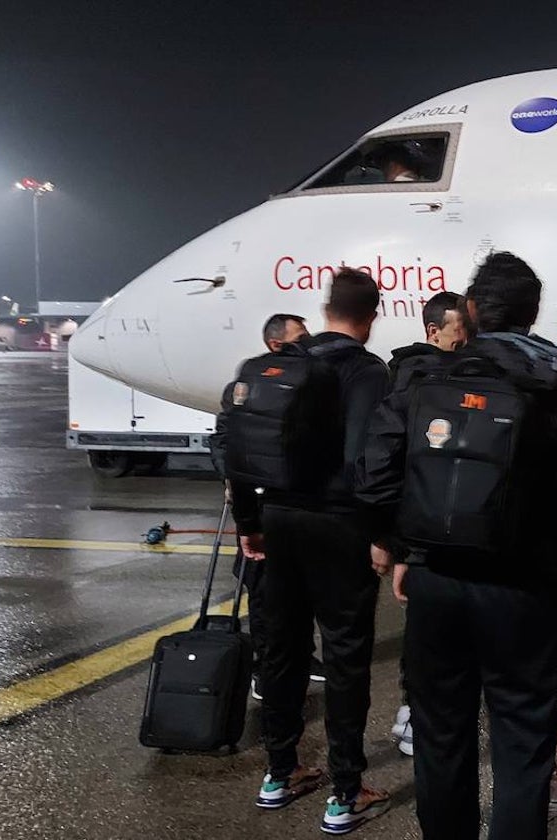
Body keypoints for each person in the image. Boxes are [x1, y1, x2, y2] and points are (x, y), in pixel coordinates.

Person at [357, 252, 557, 840]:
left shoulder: (426, 378)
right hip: (523, 586)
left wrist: (399, 548)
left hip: (438, 581)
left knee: (441, 733)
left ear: (470, 311)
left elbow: (372, 478)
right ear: (533, 313)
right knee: (523, 739)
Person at [229, 268, 391, 834]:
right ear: (371, 317)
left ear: (325, 311)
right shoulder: (369, 372)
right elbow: (368, 462)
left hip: (277, 519)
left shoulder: (287, 362)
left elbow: (236, 443)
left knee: (282, 649)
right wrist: (380, 535)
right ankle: (345, 792)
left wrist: (251, 522)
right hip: (338, 526)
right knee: (345, 658)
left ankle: (280, 771)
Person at [212, 314, 323, 701]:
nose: (307, 342)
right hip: (259, 504)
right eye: (300, 336)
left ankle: (303, 656)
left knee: (302, 589)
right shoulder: (249, 384)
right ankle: (263, 668)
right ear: (277, 344)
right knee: (263, 596)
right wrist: (232, 480)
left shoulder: (305, 381)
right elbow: (225, 438)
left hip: (294, 503)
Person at [385, 289, 469, 757]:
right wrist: (398, 548)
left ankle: (421, 714)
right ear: (433, 331)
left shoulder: (405, 379)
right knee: (429, 634)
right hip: (427, 531)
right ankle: (418, 716)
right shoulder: (411, 382)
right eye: (458, 337)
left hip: (437, 529)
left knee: (433, 632)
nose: (464, 346)